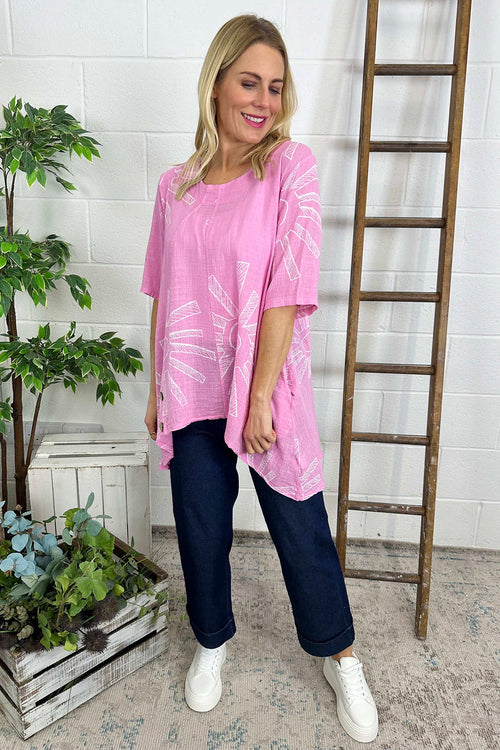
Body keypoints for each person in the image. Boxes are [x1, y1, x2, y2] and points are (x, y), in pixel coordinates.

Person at [141, 14, 378, 744]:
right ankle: (212, 640)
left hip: (267, 384)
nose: (264, 100)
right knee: (200, 523)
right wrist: (155, 389)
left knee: (300, 524)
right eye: (250, 82)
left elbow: (286, 288)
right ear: (216, 85)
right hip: (191, 383)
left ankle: (340, 654)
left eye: (275, 87)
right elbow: (163, 293)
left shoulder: (288, 168)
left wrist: (260, 396)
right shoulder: (175, 185)